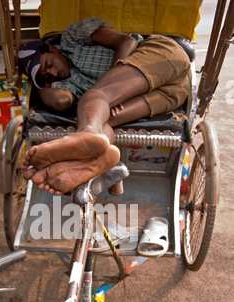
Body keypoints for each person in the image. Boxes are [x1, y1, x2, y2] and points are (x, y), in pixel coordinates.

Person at [19, 18, 191, 195]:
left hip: (163, 57)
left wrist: (111, 87)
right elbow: (61, 102)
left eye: (49, 64)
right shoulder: (64, 83)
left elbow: (127, 41)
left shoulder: (72, 37)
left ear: (52, 48)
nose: (53, 73)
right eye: (47, 77)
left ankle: (88, 133)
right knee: (103, 119)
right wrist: (38, 85)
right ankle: (96, 163)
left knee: (94, 96)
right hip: (171, 92)